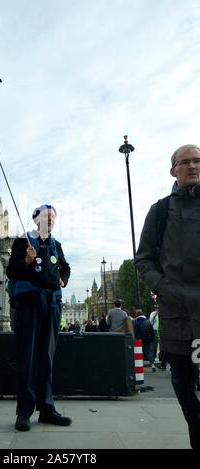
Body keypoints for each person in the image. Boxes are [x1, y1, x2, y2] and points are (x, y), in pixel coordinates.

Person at [135, 144, 200, 449]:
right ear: (173, 170)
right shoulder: (160, 211)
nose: (193, 165)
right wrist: (165, 288)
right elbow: (143, 260)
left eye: (197, 160)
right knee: (185, 389)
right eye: (185, 161)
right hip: (176, 315)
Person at [6, 204, 72, 432]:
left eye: (53, 216)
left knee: (47, 356)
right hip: (29, 304)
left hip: (52, 305)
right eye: (45, 216)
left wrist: (63, 279)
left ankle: (46, 409)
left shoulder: (57, 246)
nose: (50, 219)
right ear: (35, 220)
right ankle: (24, 412)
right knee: (27, 357)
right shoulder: (22, 242)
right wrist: (25, 260)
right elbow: (11, 271)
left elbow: (66, 268)